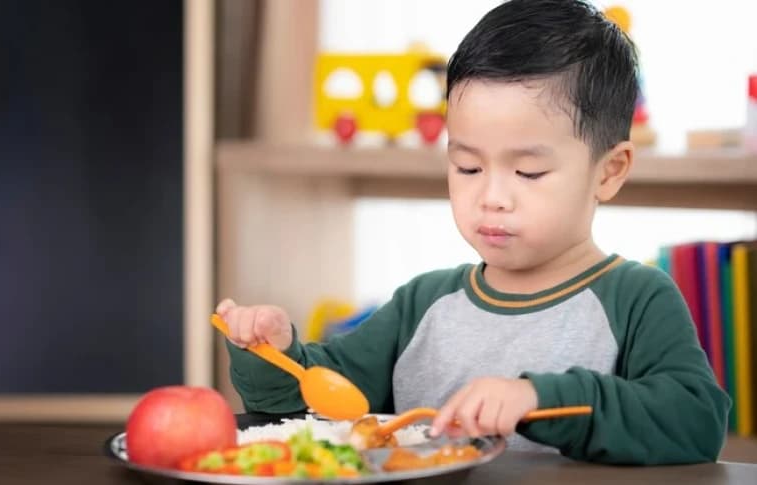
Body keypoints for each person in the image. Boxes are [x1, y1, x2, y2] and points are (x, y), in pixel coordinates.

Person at [216, 0, 729, 465]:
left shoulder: (637, 300)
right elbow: (311, 407)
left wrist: (540, 399)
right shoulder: (422, 305)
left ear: (610, 171)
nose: (492, 196)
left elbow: (695, 422)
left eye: (527, 173)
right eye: (467, 167)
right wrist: (272, 352)